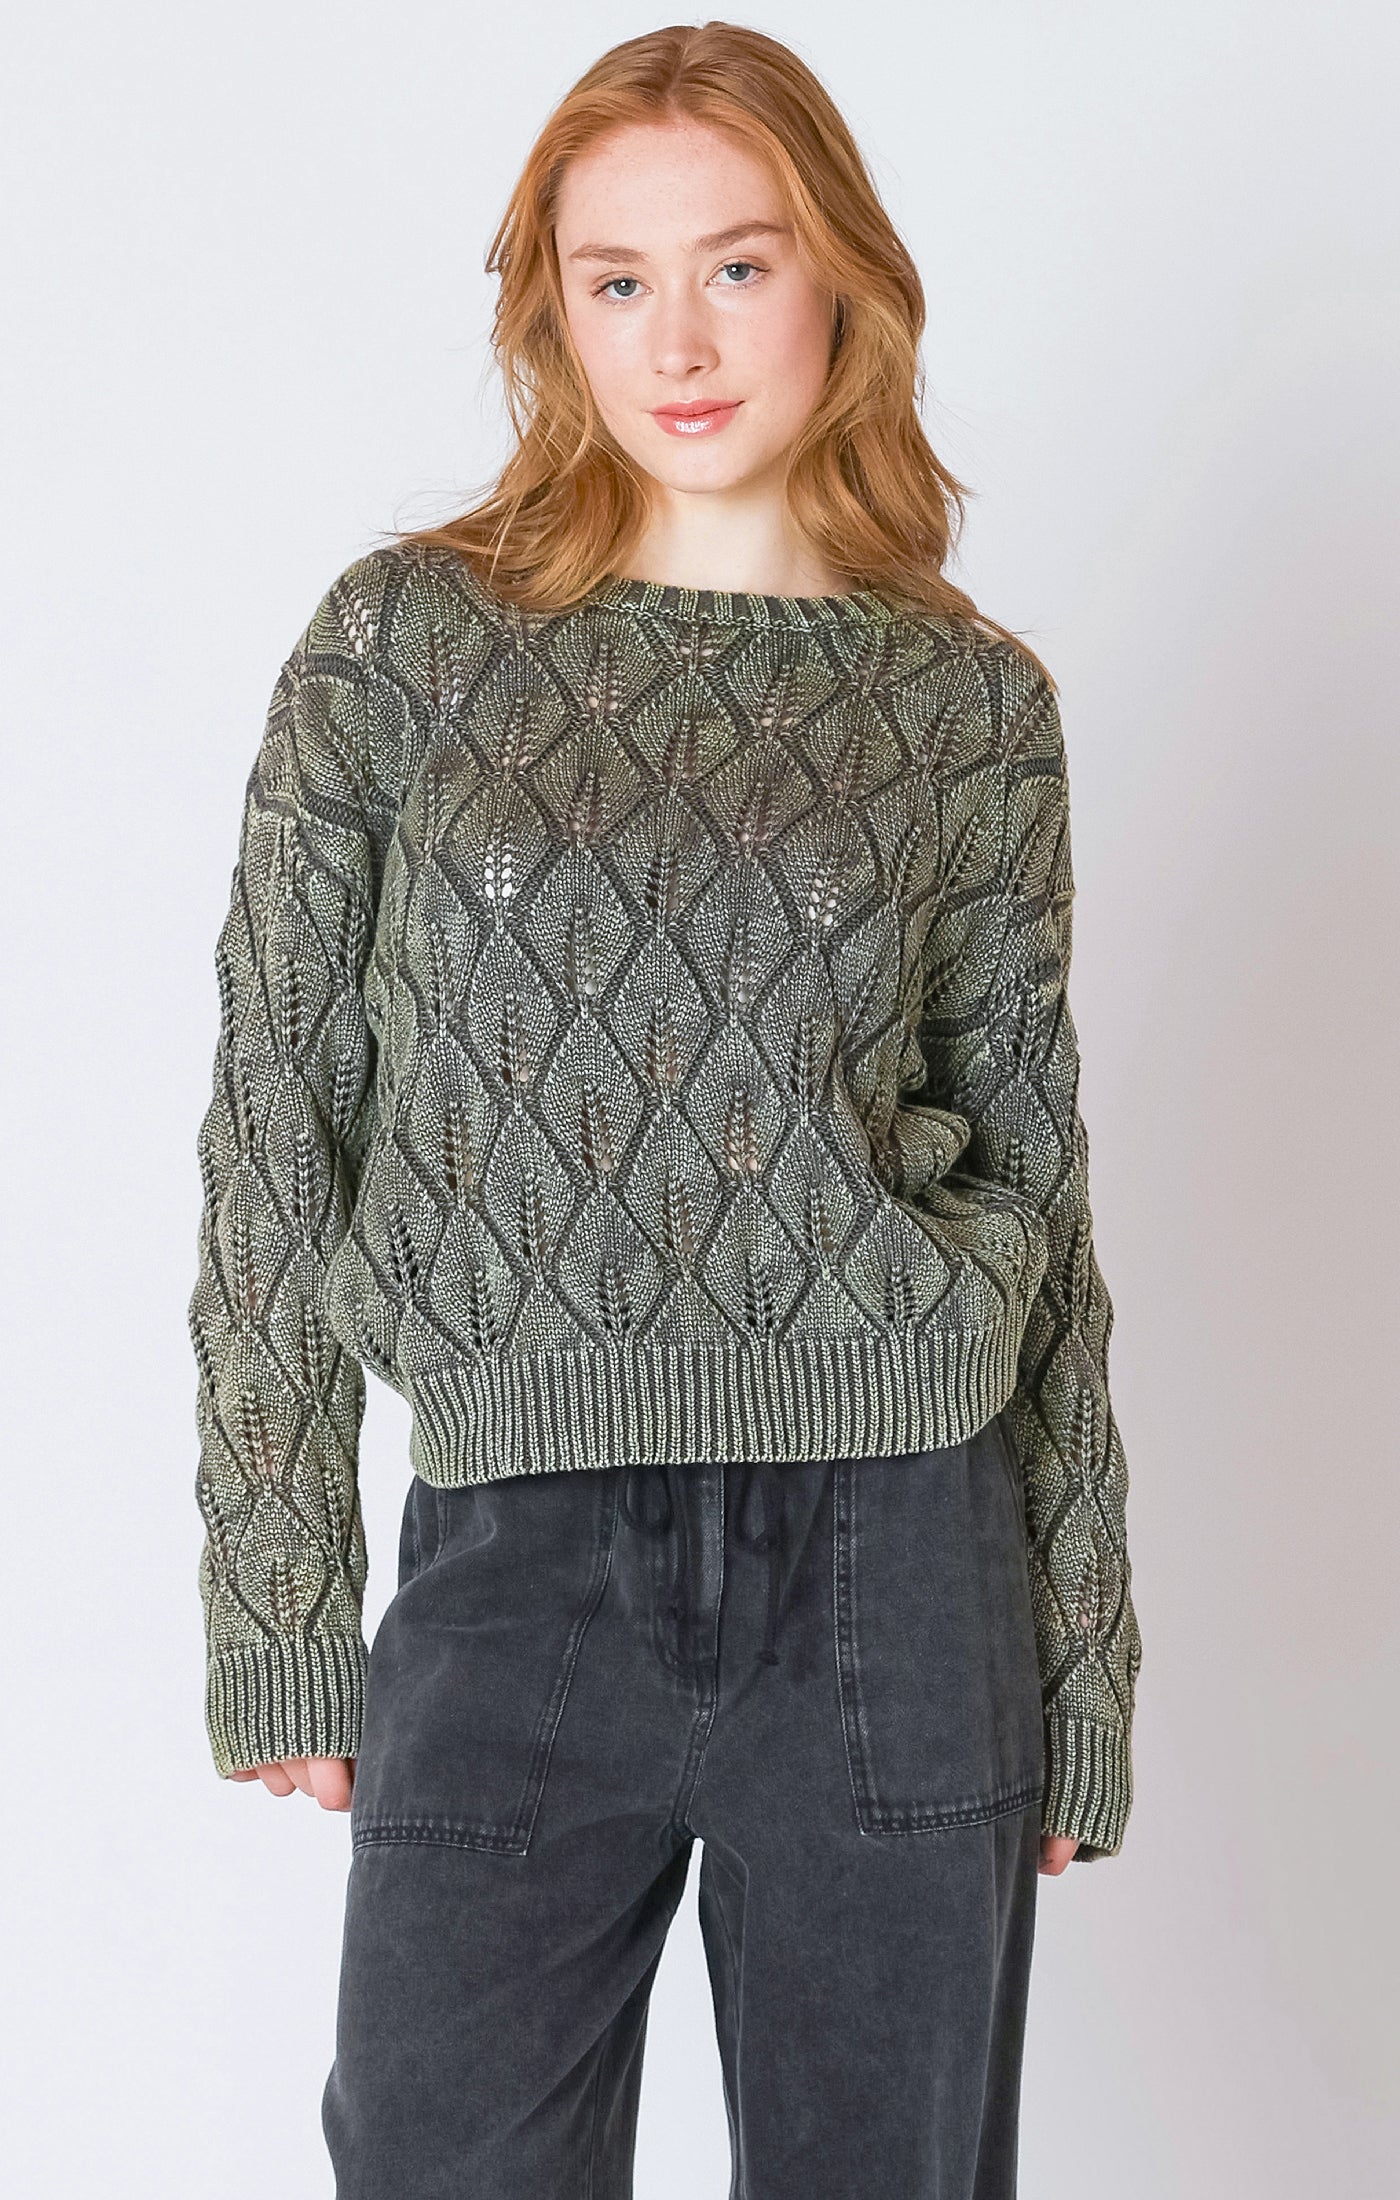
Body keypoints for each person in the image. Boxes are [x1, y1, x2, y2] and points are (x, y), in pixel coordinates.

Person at [187, 22, 1143, 2197]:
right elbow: (272, 1120)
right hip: (513, 1562)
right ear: (552, 308)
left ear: (841, 277)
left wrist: (1081, 1656)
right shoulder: (404, 648)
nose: (678, 341)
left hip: (896, 1566)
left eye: (737, 264)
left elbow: (1037, 1182)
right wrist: (279, 1591)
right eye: (615, 279)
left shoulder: (965, 706)